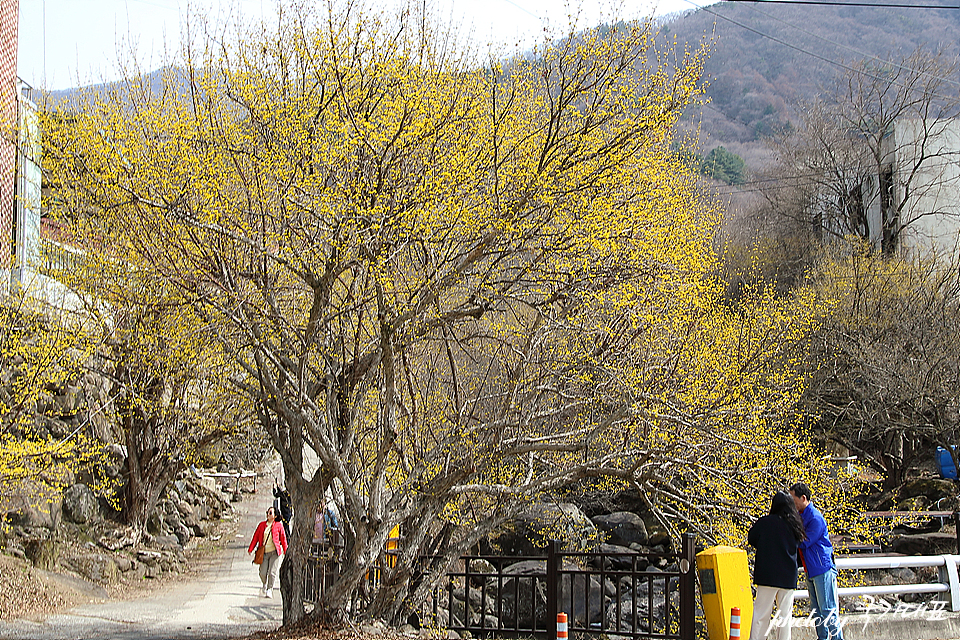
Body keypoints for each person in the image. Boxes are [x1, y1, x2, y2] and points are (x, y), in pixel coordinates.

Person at [789, 482, 844, 640]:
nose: (792, 503)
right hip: (811, 569)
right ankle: (822, 637)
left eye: (794, 499)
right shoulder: (801, 516)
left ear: (803, 498)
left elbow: (806, 541)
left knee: (827, 609)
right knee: (816, 609)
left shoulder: (814, 518)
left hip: (821, 568)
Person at [748, 491, 806, 640]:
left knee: (761, 613)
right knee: (785, 616)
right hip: (788, 576)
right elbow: (800, 546)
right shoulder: (795, 525)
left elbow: (752, 538)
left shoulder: (765, 522)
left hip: (767, 575)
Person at [248, 506, 288, 598]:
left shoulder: (278, 525)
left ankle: (270, 589)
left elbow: (283, 538)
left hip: (275, 553)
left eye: (270, 513)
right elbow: (256, 537)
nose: (268, 514)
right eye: (267, 512)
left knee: (272, 572)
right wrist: (251, 548)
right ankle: (264, 583)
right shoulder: (261, 525)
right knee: (262, 572)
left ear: (274, 516)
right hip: (265, 552)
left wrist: (286, 551)